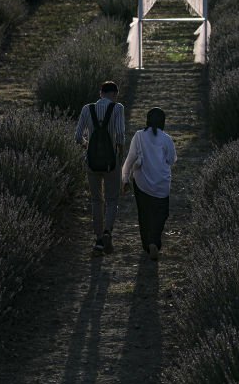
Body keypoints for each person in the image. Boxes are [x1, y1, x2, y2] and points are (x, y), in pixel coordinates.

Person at [75, 81, 125, 257]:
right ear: (114, 94)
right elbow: (120, 136)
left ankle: (97, 240)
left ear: (100, 93)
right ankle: (108, 232)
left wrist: (88, 147)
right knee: (112, 199)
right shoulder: (118, 108)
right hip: (111, 162)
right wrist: (119, 156)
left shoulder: (86, 109)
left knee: (97, 200)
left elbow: (77, 136)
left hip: (91, 162)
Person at [121, 107, 176, 261]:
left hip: (142, 183)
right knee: (161, 214)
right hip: (162, 184)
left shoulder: (139, 136)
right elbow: (172, 160)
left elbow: (129, 159)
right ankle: (155, 241)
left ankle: (148, 244)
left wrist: (125, 179)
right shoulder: (166, 139)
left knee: (144, 215)